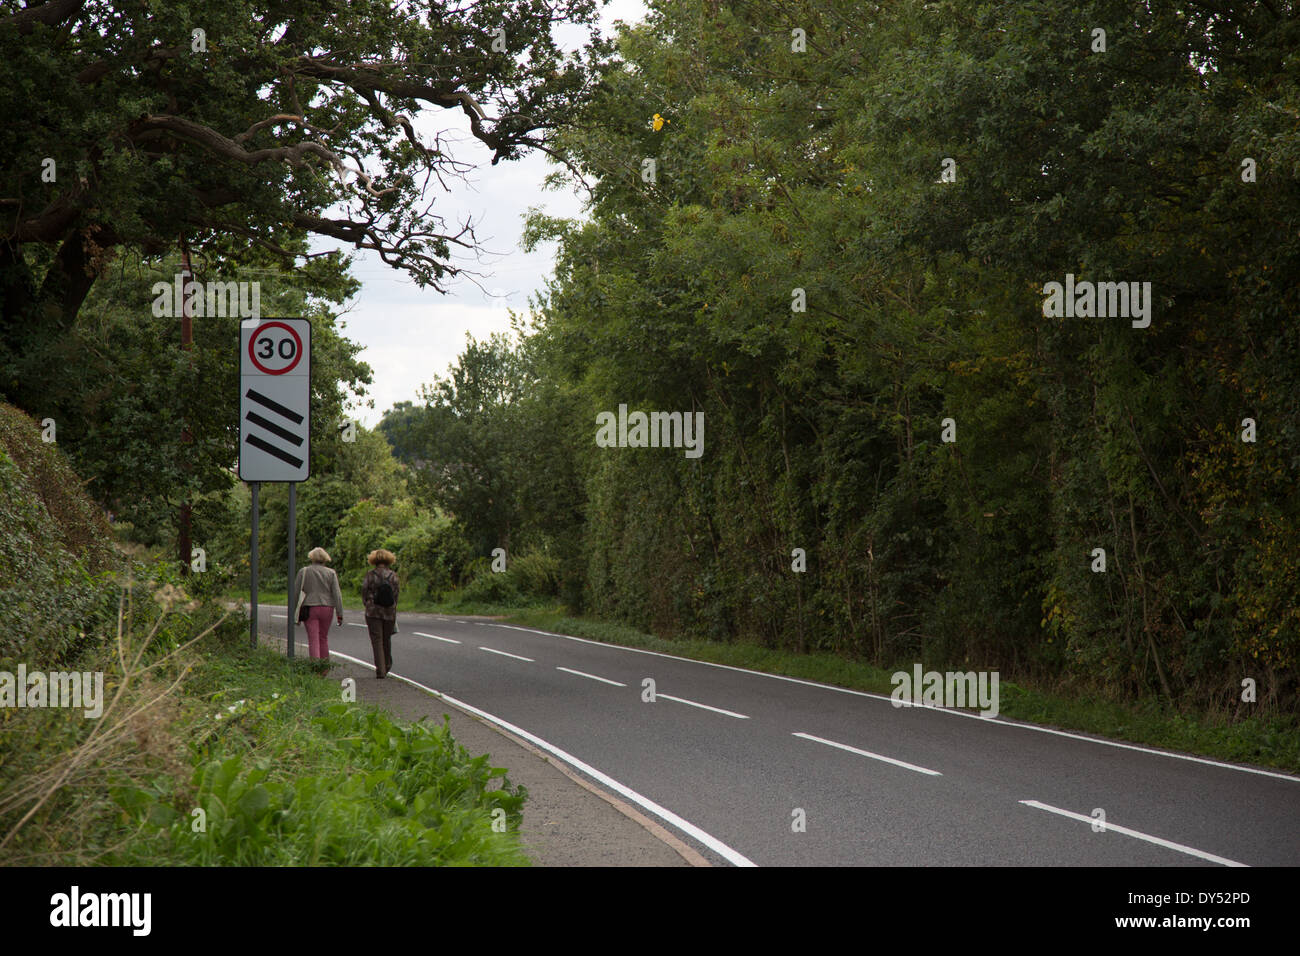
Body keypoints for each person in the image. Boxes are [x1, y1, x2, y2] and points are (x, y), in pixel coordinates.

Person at [294, 547, 344, 661]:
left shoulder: (304, 571)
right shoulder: (331, 573)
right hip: (327, 608)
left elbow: (296, 593)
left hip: (310, 608)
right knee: (323, 637)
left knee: (313, 639)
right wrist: (340, 614)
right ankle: (324, 668)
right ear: (325, 558)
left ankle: (315, 667)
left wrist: (294, 612)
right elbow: (337, 594)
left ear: (311, 558)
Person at [361, 549, 400, 678]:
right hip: (389, 612)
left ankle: (381, 670)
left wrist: (367, 604)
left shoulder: (370, 575)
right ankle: (388, 665)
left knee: (377, 640)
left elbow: (364, 592)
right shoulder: (393, 576)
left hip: (373, 612)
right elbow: (396, 595)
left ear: (374, 560)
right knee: (386, 639)